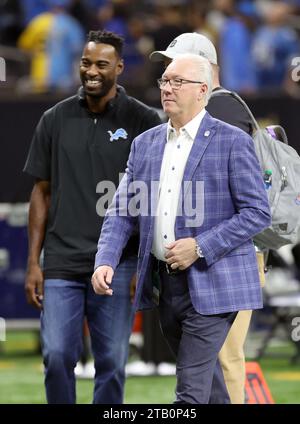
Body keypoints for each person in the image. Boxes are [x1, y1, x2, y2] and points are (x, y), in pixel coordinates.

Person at [92, 53, 271, 404]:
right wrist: (105, 260)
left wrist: (200, 246)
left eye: (178, 82)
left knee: (189, 392)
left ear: (202, 90)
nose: (167, 88)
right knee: (211, 389)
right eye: (164, 81)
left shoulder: (233, 141)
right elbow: (122, 211)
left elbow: (256, 212)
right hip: (166, 285)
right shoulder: (145, 144)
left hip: (216, 283)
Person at [23, 29, 161, 404]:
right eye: (86, 63)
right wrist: (34, 263)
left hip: (119, 263)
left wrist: (145, 265)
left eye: (102, 64)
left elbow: (155, 198)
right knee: (56, 357)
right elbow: (41, 192)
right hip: (62, 261)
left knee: (112, 363)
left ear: (119, 66)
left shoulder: (144, 120)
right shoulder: (54, 118)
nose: (92, 71)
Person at [149, 31, 258, 404]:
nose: (167, 79)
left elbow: (251, 207)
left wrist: (199, 244)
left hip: (223, 266)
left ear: (203, 79)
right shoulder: (165, 130)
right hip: (184, 271)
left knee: (217, 369)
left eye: (176, 74)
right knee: (213, 379)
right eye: (166, 74)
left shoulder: (222, 115)